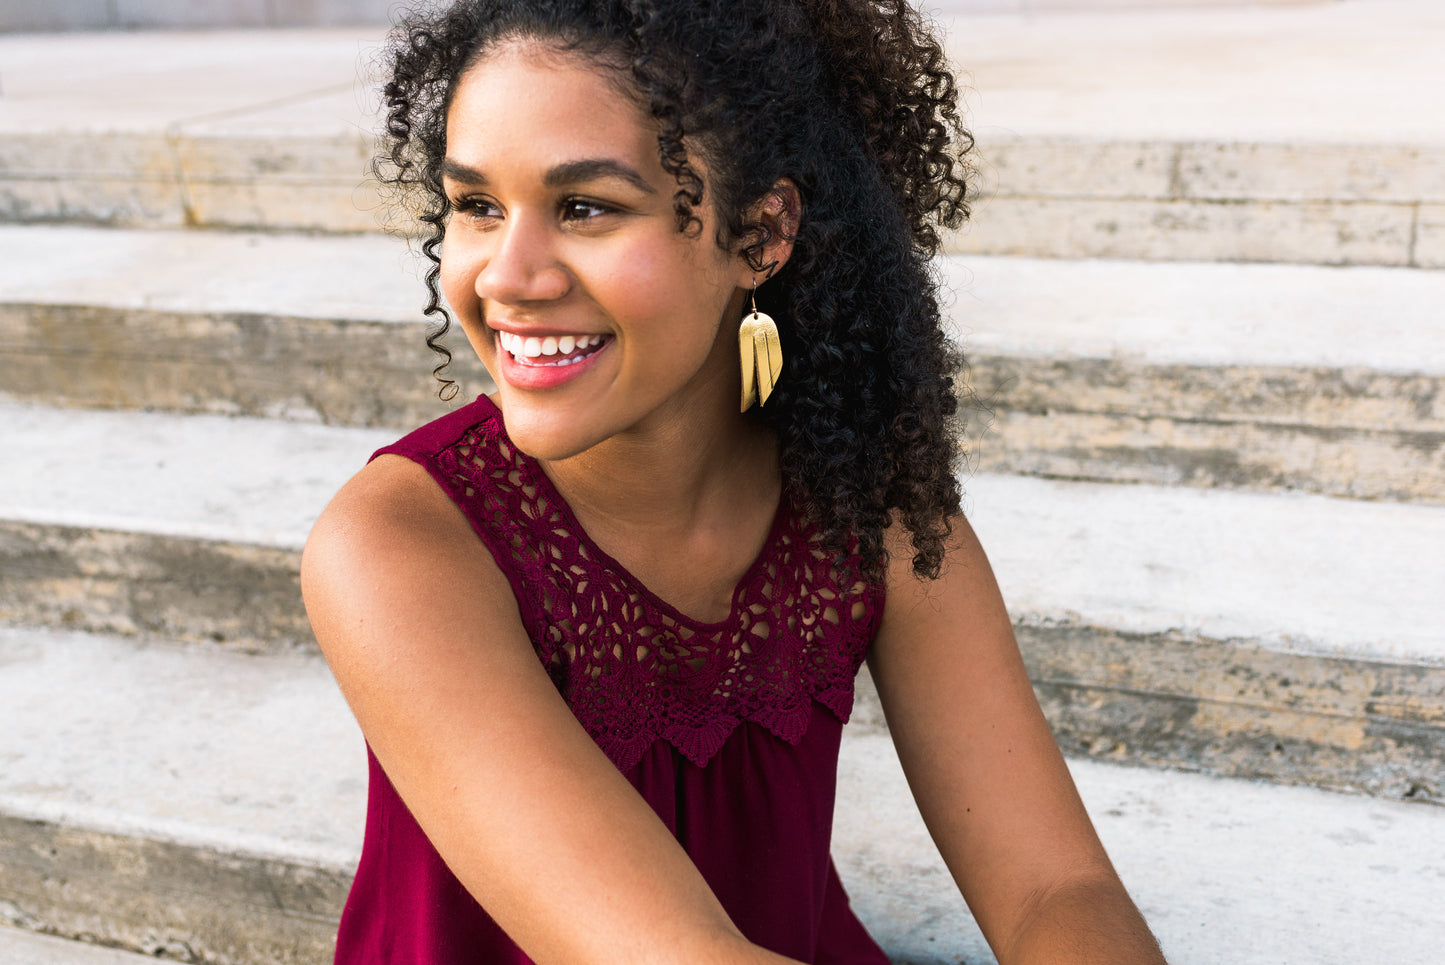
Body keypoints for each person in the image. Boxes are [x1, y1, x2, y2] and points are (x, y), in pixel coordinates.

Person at [301, 1, 1167, 962]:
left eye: (586, 207)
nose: (508, 276)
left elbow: (1057, 886)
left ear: (761, 234)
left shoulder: (859, 507)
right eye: (476, 206)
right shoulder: (400, 545)